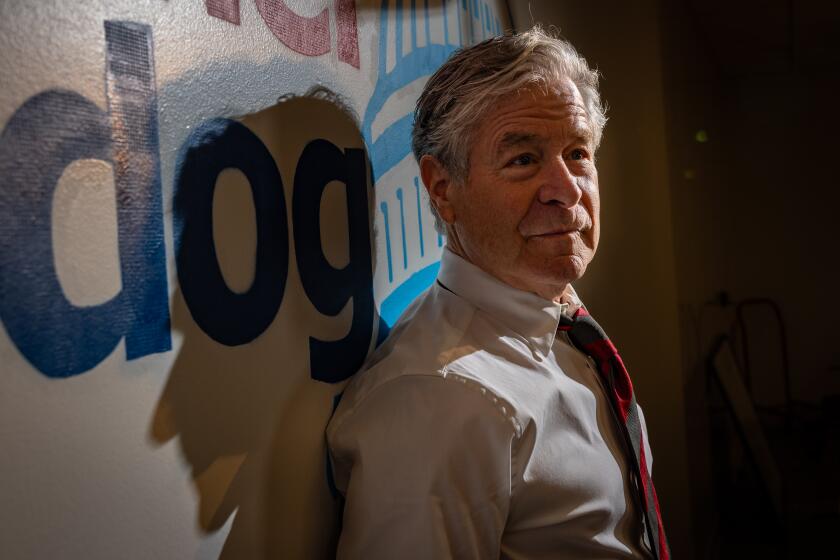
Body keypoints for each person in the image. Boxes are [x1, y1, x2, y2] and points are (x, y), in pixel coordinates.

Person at [326, 27, 668, 559]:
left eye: (578, 153)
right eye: (523, 160)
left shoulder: (556, 320)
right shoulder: (440, 399)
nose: (567, 189)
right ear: (443, 189)